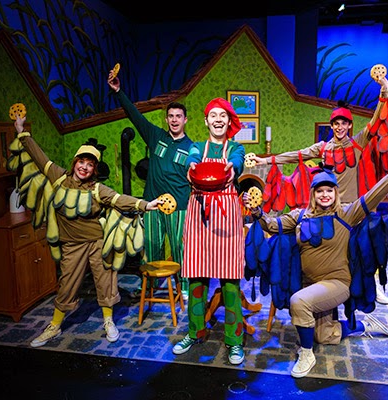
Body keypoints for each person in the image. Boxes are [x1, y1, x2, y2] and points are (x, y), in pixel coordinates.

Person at [243, 149, 388, 378]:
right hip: (310, 285)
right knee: (324, 336)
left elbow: (374, 194)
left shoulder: (347, 213)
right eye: (320, 190)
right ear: (313, 194)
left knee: (299, 302)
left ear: (336, 193)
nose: (325, 195)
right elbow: (270, 225)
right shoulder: (300, 216)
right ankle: (364, 326)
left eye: (329, 190)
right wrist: (257, 211)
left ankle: (306, 354)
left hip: (337, 283)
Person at [13, 114, 162, 348]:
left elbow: (119, 199)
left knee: (105, 281)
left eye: (90, 164)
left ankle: (108, 321)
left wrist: (146, 205)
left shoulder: (97, 189)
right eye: (82, 162)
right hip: (71, 244)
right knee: (67, 284)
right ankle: (54, 325)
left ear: (94, 169)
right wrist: (22, 132)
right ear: (75, 162)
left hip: (97, 242)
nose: (85, 167)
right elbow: (39, 157)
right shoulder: (58, 177)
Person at [252, 76, 388, 305]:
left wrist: (384, 92)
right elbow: (296, 155)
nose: (340, 127)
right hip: (327, 209)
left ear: (349, 125)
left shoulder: (357, 142)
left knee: (365, 245)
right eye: (336, 124)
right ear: (331, 126)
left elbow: (376, 120)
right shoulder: (323, 148)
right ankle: (318, 286)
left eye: (344, 123)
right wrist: (265, 160)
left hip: (352, 209)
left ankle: (372, 284)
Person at [172, 98, 246, 365]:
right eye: (213, 115)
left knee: (230, 282)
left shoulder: (236, 147)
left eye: (222, 116)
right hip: (199, 215)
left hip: (226, 216)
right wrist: (192, 166)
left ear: (228, 121)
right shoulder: (196, 147)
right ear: (206, 121)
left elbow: (237, 161)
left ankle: (234, 341)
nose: (217, 120)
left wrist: (232, 167)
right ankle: (195, 332)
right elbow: (192, 159)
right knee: (196, 279)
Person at [108, 67, 193, 299]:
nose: (174, 120)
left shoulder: (192, 148)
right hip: (152, 204)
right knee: (152, 245)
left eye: (178, 116)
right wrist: (118, 92)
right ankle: (150, 284)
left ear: (185, 120)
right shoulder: (156, 136)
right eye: (171, 116)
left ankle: (184, 285)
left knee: (179, 247)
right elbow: (134, 116)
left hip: (180, 206)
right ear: (166, 119)